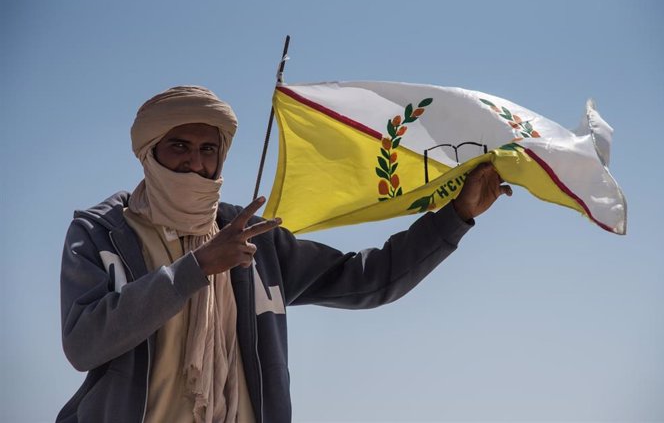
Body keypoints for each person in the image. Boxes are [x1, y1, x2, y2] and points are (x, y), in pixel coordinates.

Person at [57, 85, 512, 423]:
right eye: (179, 147)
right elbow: (84, 343)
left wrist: (456, 216)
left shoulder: (254, 238)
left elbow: (368, 280)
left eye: (208, 149)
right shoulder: (101, 234)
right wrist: (197, 268)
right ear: (149, 152)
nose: (195, 163)